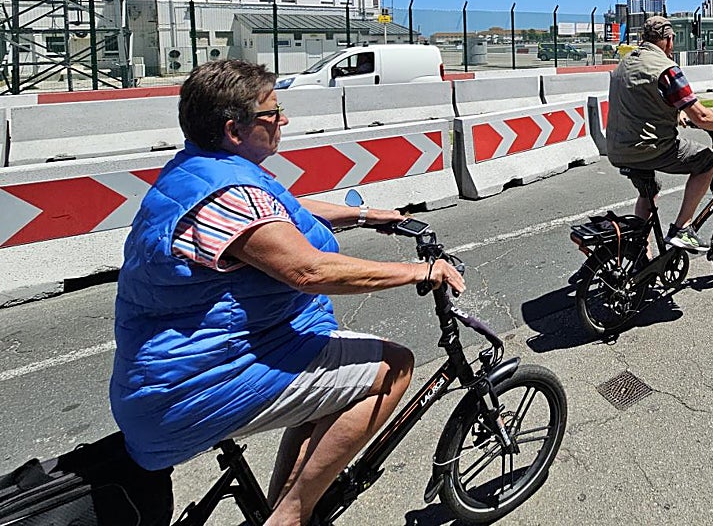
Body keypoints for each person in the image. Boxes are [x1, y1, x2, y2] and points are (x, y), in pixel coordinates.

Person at [110, 60, 465, 526]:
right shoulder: (226, 197)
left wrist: (364, 215)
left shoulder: (201, 169)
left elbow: (281, 210)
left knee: (327, 358)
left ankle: (282, 505)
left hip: (175, 370)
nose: (284, 120)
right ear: (235, 129)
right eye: (273, 113)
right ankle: (291, 516)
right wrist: (418, 271)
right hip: (190, 384)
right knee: (394, 366)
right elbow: (308, 270)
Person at [606, 16, 713, 252]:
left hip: (618, 148)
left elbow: (643, 100)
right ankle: (682, 228)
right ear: (669, 41)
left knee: (649, 190)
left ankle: (641, 249)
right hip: (649, 148)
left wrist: (674, 113)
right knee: (708, 160)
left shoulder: (626, 62)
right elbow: (700, 116)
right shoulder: (666, 69)